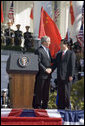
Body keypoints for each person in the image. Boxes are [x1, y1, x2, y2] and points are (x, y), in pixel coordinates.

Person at [51, 39, 76, 109]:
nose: (60, 45)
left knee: (66, 92)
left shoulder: (71, 53)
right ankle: (60, 107)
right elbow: (55, 64)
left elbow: (72, 65)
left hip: (67, 77)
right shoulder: (59, 54)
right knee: (60, 92)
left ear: (65, 45)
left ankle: (67, 107)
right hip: (59, 77)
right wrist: (50, 70)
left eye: (61, 44)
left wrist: (71, 75)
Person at [33, 36, 52, 109]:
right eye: (49, 41)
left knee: (46, 92)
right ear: (44, 42)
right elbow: (38, 62)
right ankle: (37, 106)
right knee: (39, 91)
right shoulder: (39, 50)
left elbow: (49, 61)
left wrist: (50, 68)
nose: (50, 43)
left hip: (48, 75)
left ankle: (45, 106)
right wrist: (45, 69)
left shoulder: (48, 50)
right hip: (41, 74)